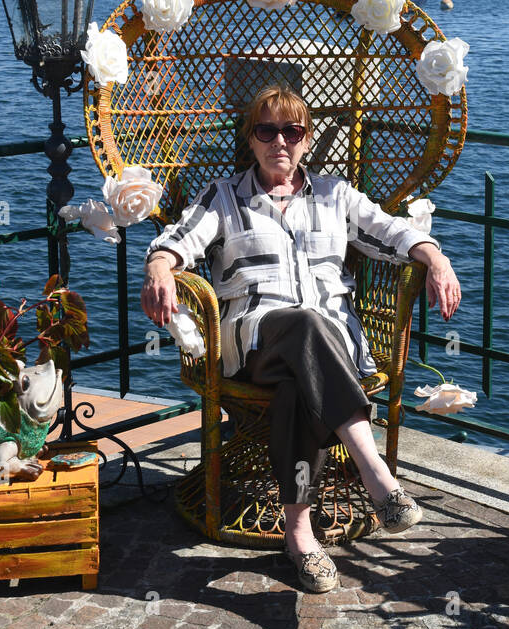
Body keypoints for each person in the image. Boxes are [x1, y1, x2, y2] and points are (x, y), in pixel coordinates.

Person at [140, 82, 461, 593]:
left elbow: (394, 232)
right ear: (251, 138)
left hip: (327, 353)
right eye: (267, 130)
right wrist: (159, 267)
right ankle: (374, 469)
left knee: (299, 387)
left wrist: (436, 260)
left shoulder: (337, 195)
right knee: (304, 323)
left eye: (292, 131)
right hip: (255, 342)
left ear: (307, 140)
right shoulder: (224, 197)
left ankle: (299, 534)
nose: (280, 142)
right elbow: (177, 242)